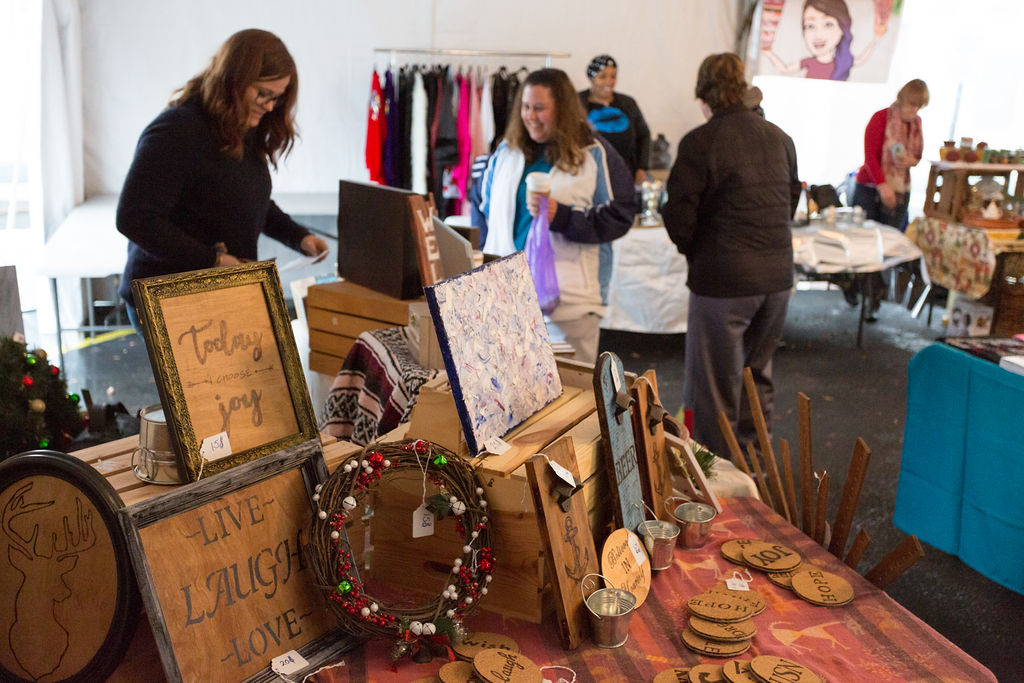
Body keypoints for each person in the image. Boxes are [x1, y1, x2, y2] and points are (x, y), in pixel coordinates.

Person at [116, 29, 328, 329]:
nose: (269, 106)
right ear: (235, 80)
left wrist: (299, 236)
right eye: (263, 93)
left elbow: (248, 199)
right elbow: (134, 218)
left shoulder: (238, 123)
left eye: (277, 98)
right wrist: (212, 260)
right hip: (171, 300)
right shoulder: (176, 130)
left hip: (218, 293)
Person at [661, 53, 801, 461]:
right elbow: (791, 199)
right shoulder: (780, 137)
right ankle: (756, 472)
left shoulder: (701, 142)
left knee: (713, 391)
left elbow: (679, 216)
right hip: (776, 279)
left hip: (723, 280)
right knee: (757, 378)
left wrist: (699, 251)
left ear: (704, 94)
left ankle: (718, 486)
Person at [472, 68, 635, 364]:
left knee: (571, 399)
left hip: (569, 307)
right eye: (524, 107)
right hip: (507, 302)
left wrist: (563, 217)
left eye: (539, 108)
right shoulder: (506, 152)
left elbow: (621, 213)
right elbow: (481, 205)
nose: (530, 116)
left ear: (561, 108)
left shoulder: (594, 154)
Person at [852, 78, 928, 230]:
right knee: (865, 235)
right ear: (904, 99)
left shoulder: (916, 124)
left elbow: (917, 156)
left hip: (901, 188)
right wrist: (883, 186)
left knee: (892, 236)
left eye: (919, 106)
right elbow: (870, 158)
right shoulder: (880, 118)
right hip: (871, 187)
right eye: (912, 104)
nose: (915, 110)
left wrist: (910, 161)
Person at [761, 0, 883, 81]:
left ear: (842, 28)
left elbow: (861, 60)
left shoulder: (843, 62)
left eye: (828, 25)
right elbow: (785, 69)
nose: (818, 35)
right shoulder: (809, 62)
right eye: (810, 26)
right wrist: (767, 52)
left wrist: (876, 39)